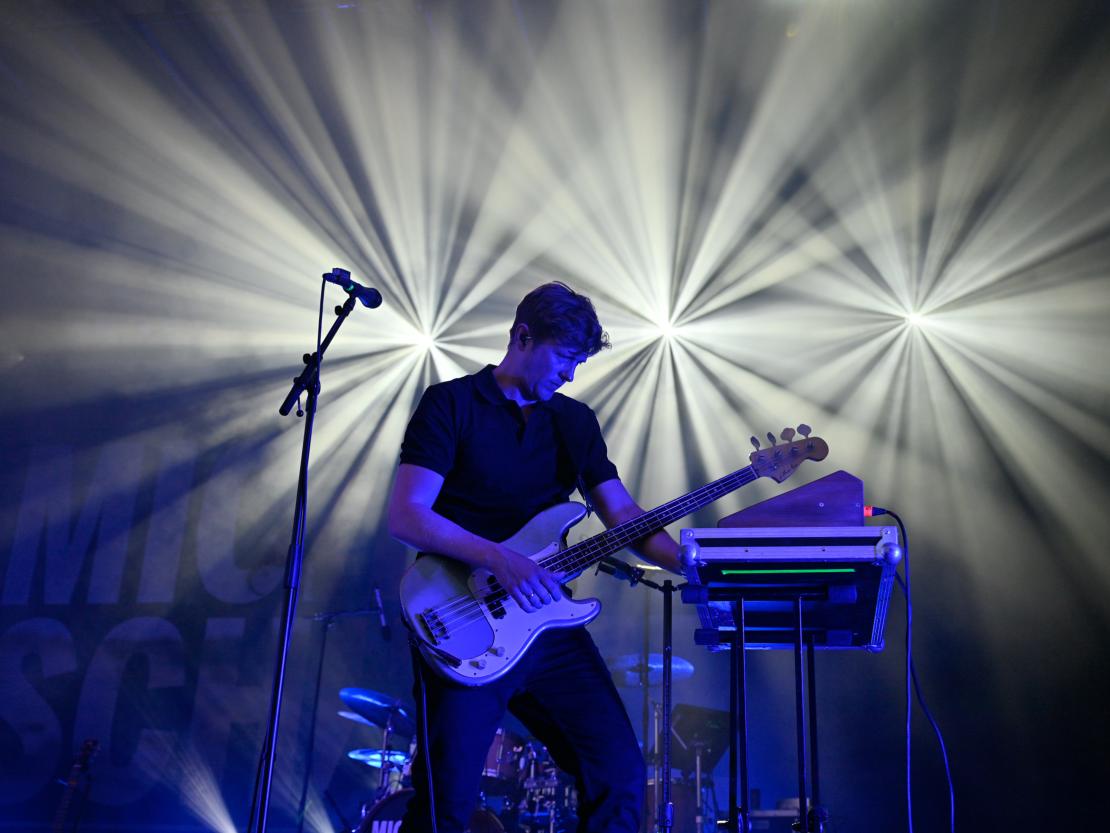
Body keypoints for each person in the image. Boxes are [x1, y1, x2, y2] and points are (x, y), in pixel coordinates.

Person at [388, 282, 681, 833]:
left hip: (548, 626)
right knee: (444, 807)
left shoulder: (574, 422)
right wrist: (500, 559)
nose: (570, 374)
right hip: (461, 619)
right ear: (523, 337)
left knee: (619, 774)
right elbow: (408, 515)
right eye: (565, 357)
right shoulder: (449, 404)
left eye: (579, 363)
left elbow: (623, 516)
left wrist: (688, 560)